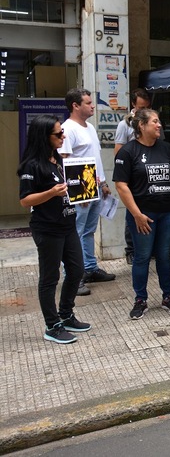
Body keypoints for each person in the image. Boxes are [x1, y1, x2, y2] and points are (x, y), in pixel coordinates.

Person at [113, 109, 170, 320]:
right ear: (141, 126)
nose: (159, 125)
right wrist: (136, 214)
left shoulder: (168, 149)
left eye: (159, 121)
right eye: (155, 121)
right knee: (142, 256)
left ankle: (168, 296)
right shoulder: (128, 152)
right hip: (142, 215)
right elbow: (121, 186)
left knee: (164, 255)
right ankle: (140, 299)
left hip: (167, 212)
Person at [18, 115, 91, 344]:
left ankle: (66, 314)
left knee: (77, 270)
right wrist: (51, 193)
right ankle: (52, 325)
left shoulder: (57, 159)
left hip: (67, 224)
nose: (63, 136)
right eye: (58, 134)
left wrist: (84, 194)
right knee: (50, 278)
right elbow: (25, 200)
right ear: (44, 137)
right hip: (47, 229)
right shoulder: (32, 165)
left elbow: (68, 188)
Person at [58, 88, 115, 296]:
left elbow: (94, 159)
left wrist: (103, 183)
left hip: (95, 186)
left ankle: (90, 268)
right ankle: (72, 277)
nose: (93, 105)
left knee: (89, 231)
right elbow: (64, 163)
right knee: (75, 233)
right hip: (81, 190)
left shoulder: (89, 127)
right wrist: (78, 192)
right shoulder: (68, 129)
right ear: (75, 105)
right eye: (88, 103)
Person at [114, 88, 152, 264]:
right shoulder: (125, 125)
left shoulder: (151, 121)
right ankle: (130, 250)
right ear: (133, 105)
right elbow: (118, 150)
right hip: (132, 173)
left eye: (146, 107)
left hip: (147, 172)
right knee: (132, 210)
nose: (143, 110)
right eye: (140, 107)